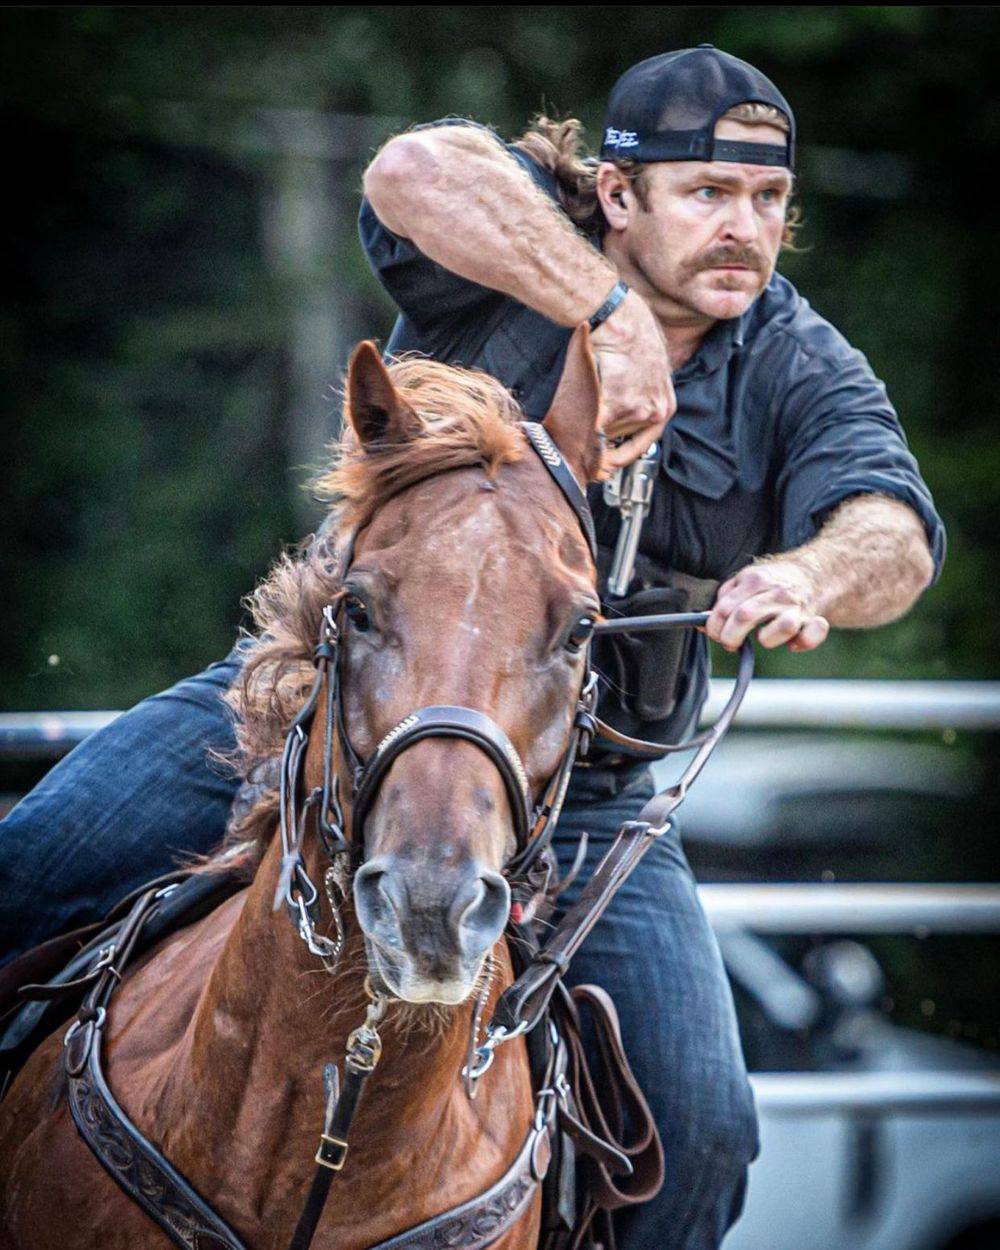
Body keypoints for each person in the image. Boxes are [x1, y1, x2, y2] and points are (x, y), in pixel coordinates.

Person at [0, 45, 944, 1250]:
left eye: (766, 201)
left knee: (703, 1132)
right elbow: (409, 166)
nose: (741, 229)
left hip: (586, 794)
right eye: (706, 192)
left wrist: (808, 572)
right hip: (323, 713)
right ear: (617, 195)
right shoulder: (517, 244)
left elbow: (893, 530)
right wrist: (600, 312)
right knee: (22, 877)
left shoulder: (798, 366)